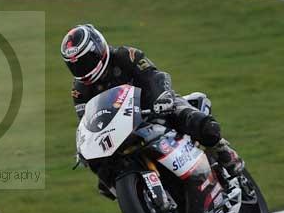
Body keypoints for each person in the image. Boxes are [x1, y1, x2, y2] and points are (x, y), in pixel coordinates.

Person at [60, 24, 244, 196]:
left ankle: (221, 149)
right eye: (75, 65)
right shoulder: (79, 91)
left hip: (154, 105)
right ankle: (134, 193)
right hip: (122, 129)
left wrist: (161, 97)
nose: (82, 68)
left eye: (85, 61)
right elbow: (88, 121)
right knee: (100, 167)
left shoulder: (127, 56)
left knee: (194, 120)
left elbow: (154, 77)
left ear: (99, 49)